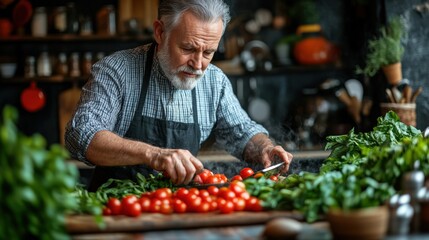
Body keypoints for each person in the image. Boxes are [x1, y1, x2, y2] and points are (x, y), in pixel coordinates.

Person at [65, 0, 293, 191]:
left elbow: (242, 133)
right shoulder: (118, 70)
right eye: (188, 49)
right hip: (117, 210)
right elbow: (81, 134)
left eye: (209, 52)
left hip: (180, 209)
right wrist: (153, 155)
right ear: (160, 32)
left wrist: (264, 147)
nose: (198, 64)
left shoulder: (215, 81)